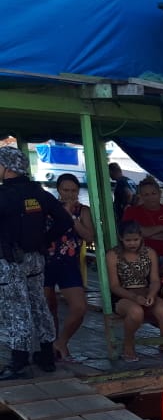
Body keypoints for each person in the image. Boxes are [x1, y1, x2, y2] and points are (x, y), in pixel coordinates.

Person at [0, 146, 70, 379]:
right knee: (39, 304)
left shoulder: (4, 195)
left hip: (11, 262)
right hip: (36, 259)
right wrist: (44, 240)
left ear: (7, 168)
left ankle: (18, 362)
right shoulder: (39, 192)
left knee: (15, 309)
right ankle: (46, 356)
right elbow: (64, 220)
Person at [106, 221, 163, 361]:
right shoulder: (113, 255)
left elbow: (154, 280)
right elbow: (115, 286)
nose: (132, 243)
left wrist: (152, 294)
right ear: (121, 238)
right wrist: (134, 297)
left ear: (141, 237)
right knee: (136, 312)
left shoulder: (150, 253)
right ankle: (128, 344)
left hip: (147, 292)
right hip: (123, 295)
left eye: (135, 239)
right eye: (128, 240)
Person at [44, 172, 94, 363]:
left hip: (69, 262)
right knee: (50, 307)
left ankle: (62, 341)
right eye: (66, 190)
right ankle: (51, 347)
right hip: (47, 261)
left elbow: (89, 237)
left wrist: (70, 217)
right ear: (58, 190)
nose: (70, 194)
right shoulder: (48, 208)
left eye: (74, 190)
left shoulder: (83, 211)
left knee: (79, 307)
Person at [122, 176, 163, 260]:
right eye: (146, 194)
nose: (151, 197)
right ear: (141, 196)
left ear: (160, 193)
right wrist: (161, 228)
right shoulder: (131, 211)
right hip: (139, 257)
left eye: (153, 193)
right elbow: (130, 234)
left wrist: (145, 234)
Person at [109, 162, 136, 227]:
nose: (109, 175)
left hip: (124, 215)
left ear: (112, 172)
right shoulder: (129, 180)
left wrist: (126, 206)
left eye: (109, 173)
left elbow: (129, 194)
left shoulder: (120, 182)